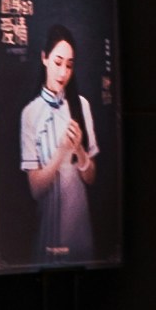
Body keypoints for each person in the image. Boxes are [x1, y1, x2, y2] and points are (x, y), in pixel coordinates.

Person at [19, 28, 100, 262]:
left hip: (79, 218)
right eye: (57, 62)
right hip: (48, 222)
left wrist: (80, 153)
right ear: (44, 58)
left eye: (69, 65)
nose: (63, 72)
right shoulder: (30, 114)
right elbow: (35, 189)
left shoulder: (81, 106)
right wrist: (61, 152)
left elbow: (92, 177)